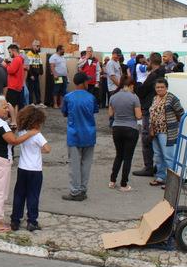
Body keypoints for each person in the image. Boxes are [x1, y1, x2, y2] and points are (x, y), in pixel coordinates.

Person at [0, 94, 37, 231]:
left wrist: (12, 116)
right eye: (5, 107)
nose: (7, 109)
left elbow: (10, 130)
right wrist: (31, 133)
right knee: (0, 192)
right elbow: (13, 140)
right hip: (0, 159)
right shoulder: (1, 124)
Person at [9, 106, 50, 232]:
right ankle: (32, 221)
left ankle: (15, 220)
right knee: (33, 195)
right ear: (37, 122)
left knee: (19, 194)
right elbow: (47, 149)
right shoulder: (37, 135)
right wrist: (39, 150)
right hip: (35, 169)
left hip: (22, 168)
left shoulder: (22, 133)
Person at [61, 72, 99, 201]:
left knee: (74, 165)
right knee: (86, 164)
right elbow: (94, 111)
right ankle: (82, 189)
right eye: (87, 81)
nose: (88, 83)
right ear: (83, 83)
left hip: (74, 134)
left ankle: (75, 191)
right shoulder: (91, 97)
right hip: (89, 134)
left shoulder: (68, 97)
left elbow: (64, 113)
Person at [133, 52, 165, 177]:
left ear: (150, 62)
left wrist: (138, 86)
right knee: (160, 138)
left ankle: (149, 167)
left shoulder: (153, 76)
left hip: (149, 108)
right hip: (161, 108)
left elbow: (142, 92)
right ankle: (159, 167)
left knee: (147, 138)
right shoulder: (165, 72)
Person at [108, 76, 142, 191]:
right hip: (131, 128)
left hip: (117, 128)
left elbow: (110, 114)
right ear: (131, 85)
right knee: (127, 157)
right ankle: (123, 184)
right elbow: (138, 116)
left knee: (119, 155)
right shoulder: (134, 97)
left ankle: (112, 180)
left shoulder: (113, 96)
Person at [148, 78, 184, 188]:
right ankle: (160, 177)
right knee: (158, 155)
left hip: (166, 132)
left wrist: (173, 123)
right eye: (157, 87)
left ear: (166, 87)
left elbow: (181, 112)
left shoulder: (171, 98)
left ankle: (171, 181)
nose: (159, 89)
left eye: (162, 87)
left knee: (168, 156)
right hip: (155, 131)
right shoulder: (155, 98)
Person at [5, 44, 26, 115]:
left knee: (10, 104)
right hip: (17, 86)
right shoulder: (20, 59)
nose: (9, 54)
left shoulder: (16, 59)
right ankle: (15, 120)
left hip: (13, 86)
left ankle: (13, 121)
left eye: (10, 52)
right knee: (15, 104)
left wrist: (7, 64)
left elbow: (11, 70)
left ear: (14, 51)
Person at [25, 40, 44, 106]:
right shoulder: (29, 54)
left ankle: (39, 102)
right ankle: (31, 102)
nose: (38, 47)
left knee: (37, 88)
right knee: (31, 89)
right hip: (31, 74)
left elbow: (40, 64)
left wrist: (41, 71)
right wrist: (31, 75)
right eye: (37, 46)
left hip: (36, 74)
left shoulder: (38, 54)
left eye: (39, 46)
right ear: (33, 46)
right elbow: (28, 65)